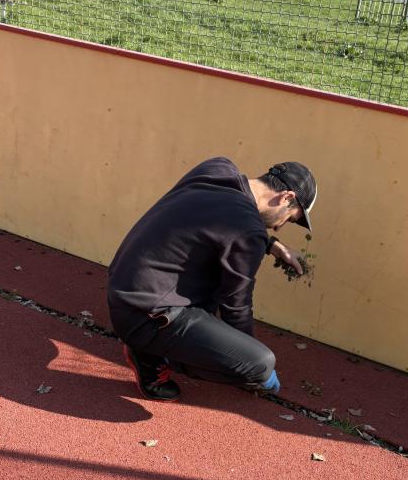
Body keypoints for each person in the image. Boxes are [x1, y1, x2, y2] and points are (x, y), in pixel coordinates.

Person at [107, 156, 318, 401]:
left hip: (123, 288)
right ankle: (149, 357)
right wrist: (247, 362)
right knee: (260, 363)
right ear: (286, 197)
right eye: (290, 218)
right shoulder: (248, 230)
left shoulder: (216, 169)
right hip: (145, 316)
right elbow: (236, 307)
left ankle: (151, 343)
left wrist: (270, 244)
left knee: (217, 270)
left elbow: (215, 220)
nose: (280, 227)